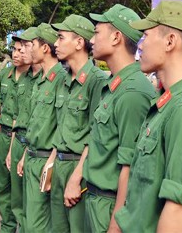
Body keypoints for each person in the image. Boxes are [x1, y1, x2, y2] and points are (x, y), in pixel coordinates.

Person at [115, 0, 182, 232]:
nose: (140, 46)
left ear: (170, 41)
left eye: (147, 36)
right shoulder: (169, 104)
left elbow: (178, 213)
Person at [83, 4, 156, 233]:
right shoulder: (116, 84)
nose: (91, 40)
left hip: (110, 206)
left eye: (96, 32)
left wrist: (116, 223)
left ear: (116, 37)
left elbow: (130, 165)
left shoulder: (133, 91)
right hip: (95, 199)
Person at [47, 14, 107, 232]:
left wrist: (76, 177)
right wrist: (51, 162)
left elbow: (95, 135)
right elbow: (62, 126)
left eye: (61, 38)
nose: (55, 44)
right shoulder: (63, 79)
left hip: (79, 168)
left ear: (79, 42)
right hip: (60, 164)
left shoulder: (97, 81)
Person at [19, 23, 68, 232]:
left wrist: (50, 162)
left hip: (46, 159)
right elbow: (35, 124)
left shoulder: (62, 79)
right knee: (28, 218)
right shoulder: (40, 80)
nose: (27, 50)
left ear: (44, 48)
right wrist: (24, 155)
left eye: (31, 45)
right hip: (32, 156)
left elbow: (63, 124)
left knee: (40, 224)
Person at [9, 27, 42, 233]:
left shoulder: (52, 80)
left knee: (35, 205)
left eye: (27, 46)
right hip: (20, 142)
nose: (20, 51)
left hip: (37, 149)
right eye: (19, 48)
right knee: (16, 199)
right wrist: (13, 148)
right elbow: (17, 116)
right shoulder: (24, 77)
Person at [0, 38, 29, 233]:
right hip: (4, 135)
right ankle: (6, 227)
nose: (16, 54)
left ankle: (22, 225)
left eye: (20, 50)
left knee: (19, 189)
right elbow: (2, 102)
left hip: (22, 139)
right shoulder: (5, 75)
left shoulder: (34, 78)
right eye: (14, 50)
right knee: (3, 186)